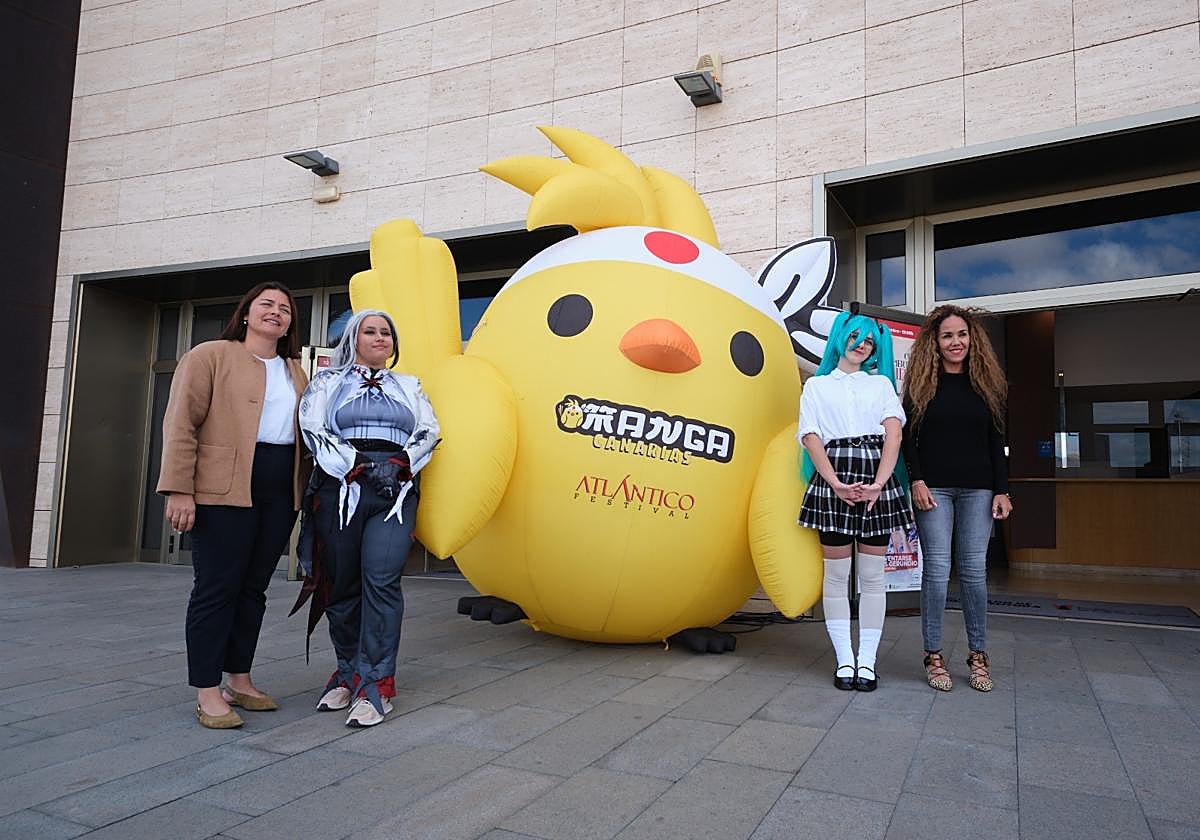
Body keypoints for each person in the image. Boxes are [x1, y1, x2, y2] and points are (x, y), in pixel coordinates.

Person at [158, 282, 308, 729]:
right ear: (246, 313)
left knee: (252, 589)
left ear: (289, 324)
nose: (275, 313)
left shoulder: (295, 371)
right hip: (222, 486)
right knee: (216, 587)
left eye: (284, 309)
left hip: (280, 487)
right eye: (266, 305)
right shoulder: (210, 355)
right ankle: (208, 691)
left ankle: (239, 679)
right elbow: (181, 422)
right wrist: (179, 489)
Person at [294, 309, 439, 727]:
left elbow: (428, 431)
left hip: (394, 491)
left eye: (386, 332)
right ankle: (348, 669)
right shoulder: (326, 382)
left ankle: (377, 682)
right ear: (354, 338)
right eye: (370, 331)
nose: (379, 338)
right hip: (341, 486)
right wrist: (356, 465)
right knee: (341, 583)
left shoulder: (411, 386)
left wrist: (397, 464)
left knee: (382, 579)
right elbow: (315, 429)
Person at [798, 311, 912, 692]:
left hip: (876, 483)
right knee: (835, 578)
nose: (862, 345)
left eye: (870, 342)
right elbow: (811, 436)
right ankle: (844, 660)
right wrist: (834, 483)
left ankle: (867, 662)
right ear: (841, 338)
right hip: (833, 481)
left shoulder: (881, 385)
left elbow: (893, 435)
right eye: (856, 338)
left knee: (873, 577)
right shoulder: (816, 386)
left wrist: (880, 484)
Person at [902, 304, 1011, 693]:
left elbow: (996, 442)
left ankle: (977, 654)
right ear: (935, 341)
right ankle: (933, 655)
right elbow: (908, 442)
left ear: (972, 339)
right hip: (935, 491)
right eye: (947, 335)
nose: (955, 342)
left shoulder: (987, 386)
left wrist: (1002, 489)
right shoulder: (920, 386)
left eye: (961, 334)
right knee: (935, 572)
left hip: (979, 489)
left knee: (973, 574)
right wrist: (917, 480)